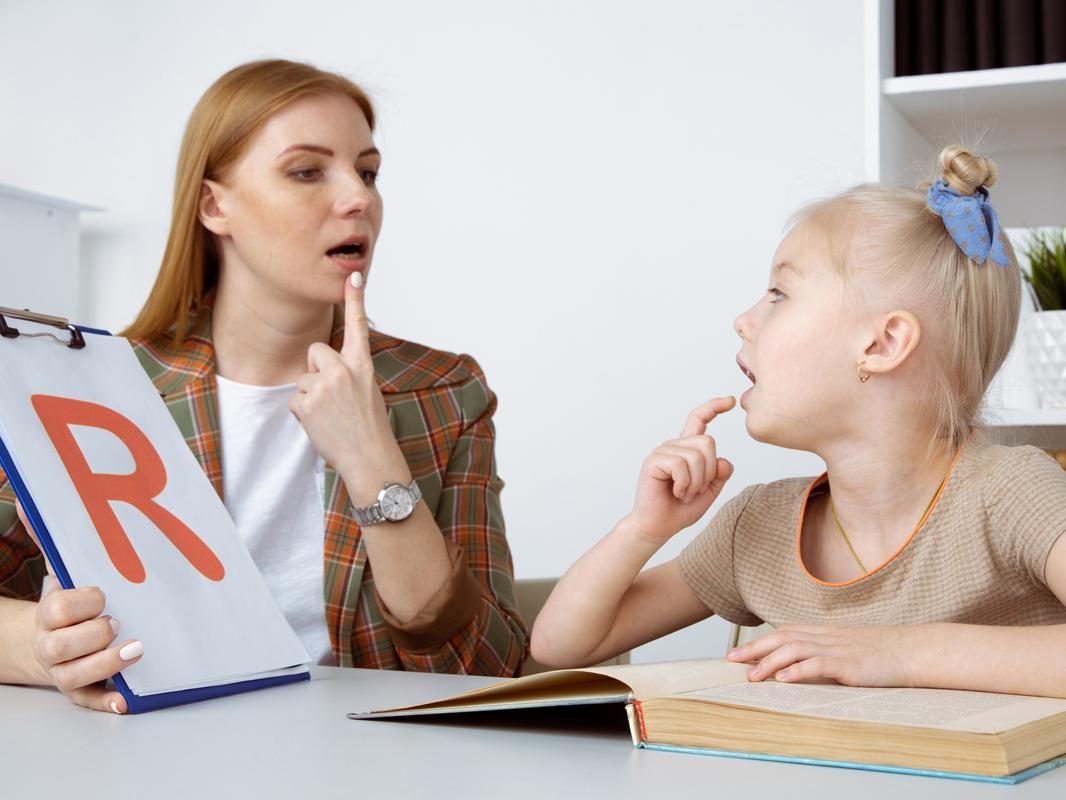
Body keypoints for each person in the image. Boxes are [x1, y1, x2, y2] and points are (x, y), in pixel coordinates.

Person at [0, 59, 527, 713]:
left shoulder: (442, 390)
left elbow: (491, 665)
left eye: (367, 171)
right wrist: (39, 646)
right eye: (308, 171)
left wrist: (374, 464)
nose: (358, 197)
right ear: (215, 205)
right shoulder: (91, 388)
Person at [531, 146, 1066, 698]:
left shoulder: (1013, 494)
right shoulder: (757, 526)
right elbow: (559, 646)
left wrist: (897, 652)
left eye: (779, 294)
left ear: (881, 343)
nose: (743, 320)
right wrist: (643, 529)